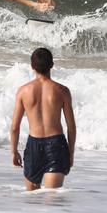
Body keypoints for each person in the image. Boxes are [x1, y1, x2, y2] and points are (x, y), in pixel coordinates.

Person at [10, 47, 76, 190]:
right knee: (52, 199)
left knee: (33, 200)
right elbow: (71, 127)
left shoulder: (23, 91)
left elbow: (15, 127)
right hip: (57, 145)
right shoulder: (62, 91)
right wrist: (71, 153)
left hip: (34, 145)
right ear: (51, 65)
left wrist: (14, 151)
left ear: (32, 66)